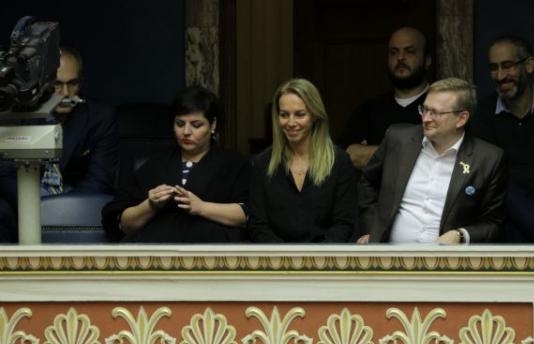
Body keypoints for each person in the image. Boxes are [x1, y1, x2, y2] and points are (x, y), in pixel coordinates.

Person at [358, 78, 507, 244]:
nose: (426, 119)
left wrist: (460, 235)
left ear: (462, 118)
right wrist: (373, 229)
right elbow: (367, 182)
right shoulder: (398, 139)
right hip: (390, 254)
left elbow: (492, 223)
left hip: (447, 258)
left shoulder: (487, 159)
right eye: (424, 109)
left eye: (435, 113)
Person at [0, 46, 118, 242]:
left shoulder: (100, 118)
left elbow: (99, 179)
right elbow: (5, 173)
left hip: (76, 197)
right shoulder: (16, 115)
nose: (65, 93)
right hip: (23, 197)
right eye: (56, 84)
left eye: (72, 84)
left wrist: (60, 208)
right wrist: (38, 206)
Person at [102, 86, 249, 243]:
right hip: (158, 250)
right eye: (179, 124)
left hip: (210, 251)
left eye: (196, 125)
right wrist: (150, 205)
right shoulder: (154, 165)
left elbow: (247, 215)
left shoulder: (233, 163)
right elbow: (124, 224)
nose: (186, 132)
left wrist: (201, 207)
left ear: (212, 125)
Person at [248, 78, 357, 242]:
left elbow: (344, 223)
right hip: (276, 256)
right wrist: (284, 256)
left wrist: (315, 256)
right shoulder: (261, 164)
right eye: (284, 115)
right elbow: (258, 225)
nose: (291, 123)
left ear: (315, 115)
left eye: (300, 114)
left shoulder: (340, 162)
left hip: (326, 255)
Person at [470, 35, 534, 243]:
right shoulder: (483, 114)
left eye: (507, 66)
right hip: (507, 204)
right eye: (494, 68)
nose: (500, 76)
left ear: (529, 65)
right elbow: (491, 174)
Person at [340, 26, 431, 168]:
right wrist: (414, 153)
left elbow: (440, 158)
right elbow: (349, 156)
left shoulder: (441, 108)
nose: (400, 57)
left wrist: (371, 153)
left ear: (427, 60)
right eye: (393, 52)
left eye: (410, 51)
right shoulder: (368, 110)